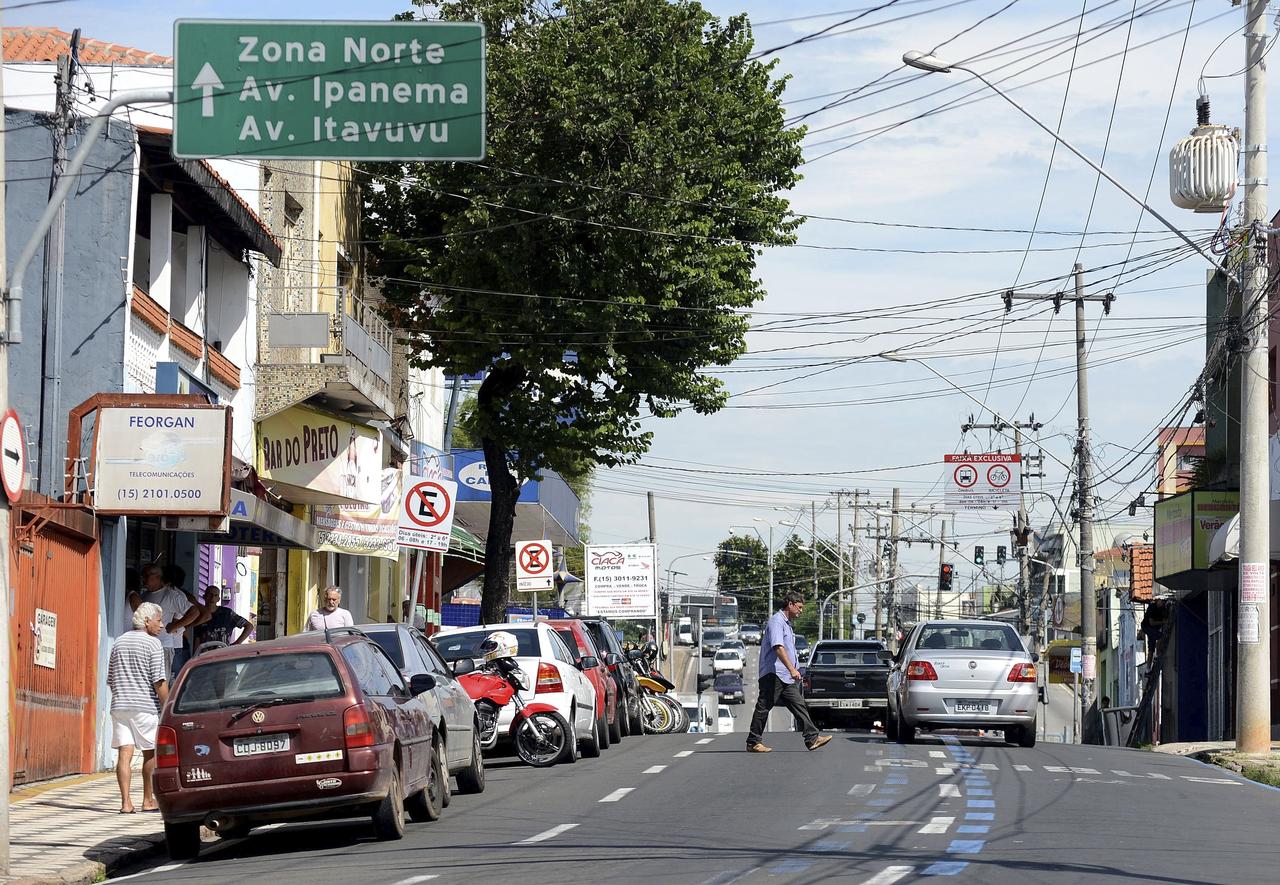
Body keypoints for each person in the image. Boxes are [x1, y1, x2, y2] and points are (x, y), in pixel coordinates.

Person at [746, 592, 831, 753]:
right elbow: (778, 647)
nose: (800, 611)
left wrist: (793, 669)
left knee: (799, 705)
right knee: (764, 706)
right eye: (799, 607)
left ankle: (812, 738)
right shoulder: (776, 622)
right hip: (774, 673)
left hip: (784, 676)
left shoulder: (787, 624)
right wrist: (792, 669)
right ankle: (753, 742)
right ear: (790, 604)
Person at [107, 602, 168, 813]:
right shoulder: (153, 645)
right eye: (159, 620)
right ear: (146, 621)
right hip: (145, 706)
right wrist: (168, 706)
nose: (162, 625)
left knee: (125, 753)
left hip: (120, 705)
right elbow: (159, 682)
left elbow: (111, 679)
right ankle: (148, 800)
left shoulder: (118, 642)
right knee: (150, 753)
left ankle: (125, 803)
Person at [132, 564, 199, 678]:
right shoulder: (145, 595)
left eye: (146, 575)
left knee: (161, 683)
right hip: (145, 647)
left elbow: (194, 612)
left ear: (158, 576)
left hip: (162, 648)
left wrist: (174, 626)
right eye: (142, 575)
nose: (143, 578)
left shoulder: (171, 595)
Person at [192, 585, 253, 650]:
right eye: (210, 595)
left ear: (218, 599)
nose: (212, 598)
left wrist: (237, 643)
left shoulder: (227, 613)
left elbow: (249, 626)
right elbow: (197, 639)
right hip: (205, 655)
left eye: (215, 595)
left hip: (223, 654)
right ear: (204, 596)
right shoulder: (199, 615)